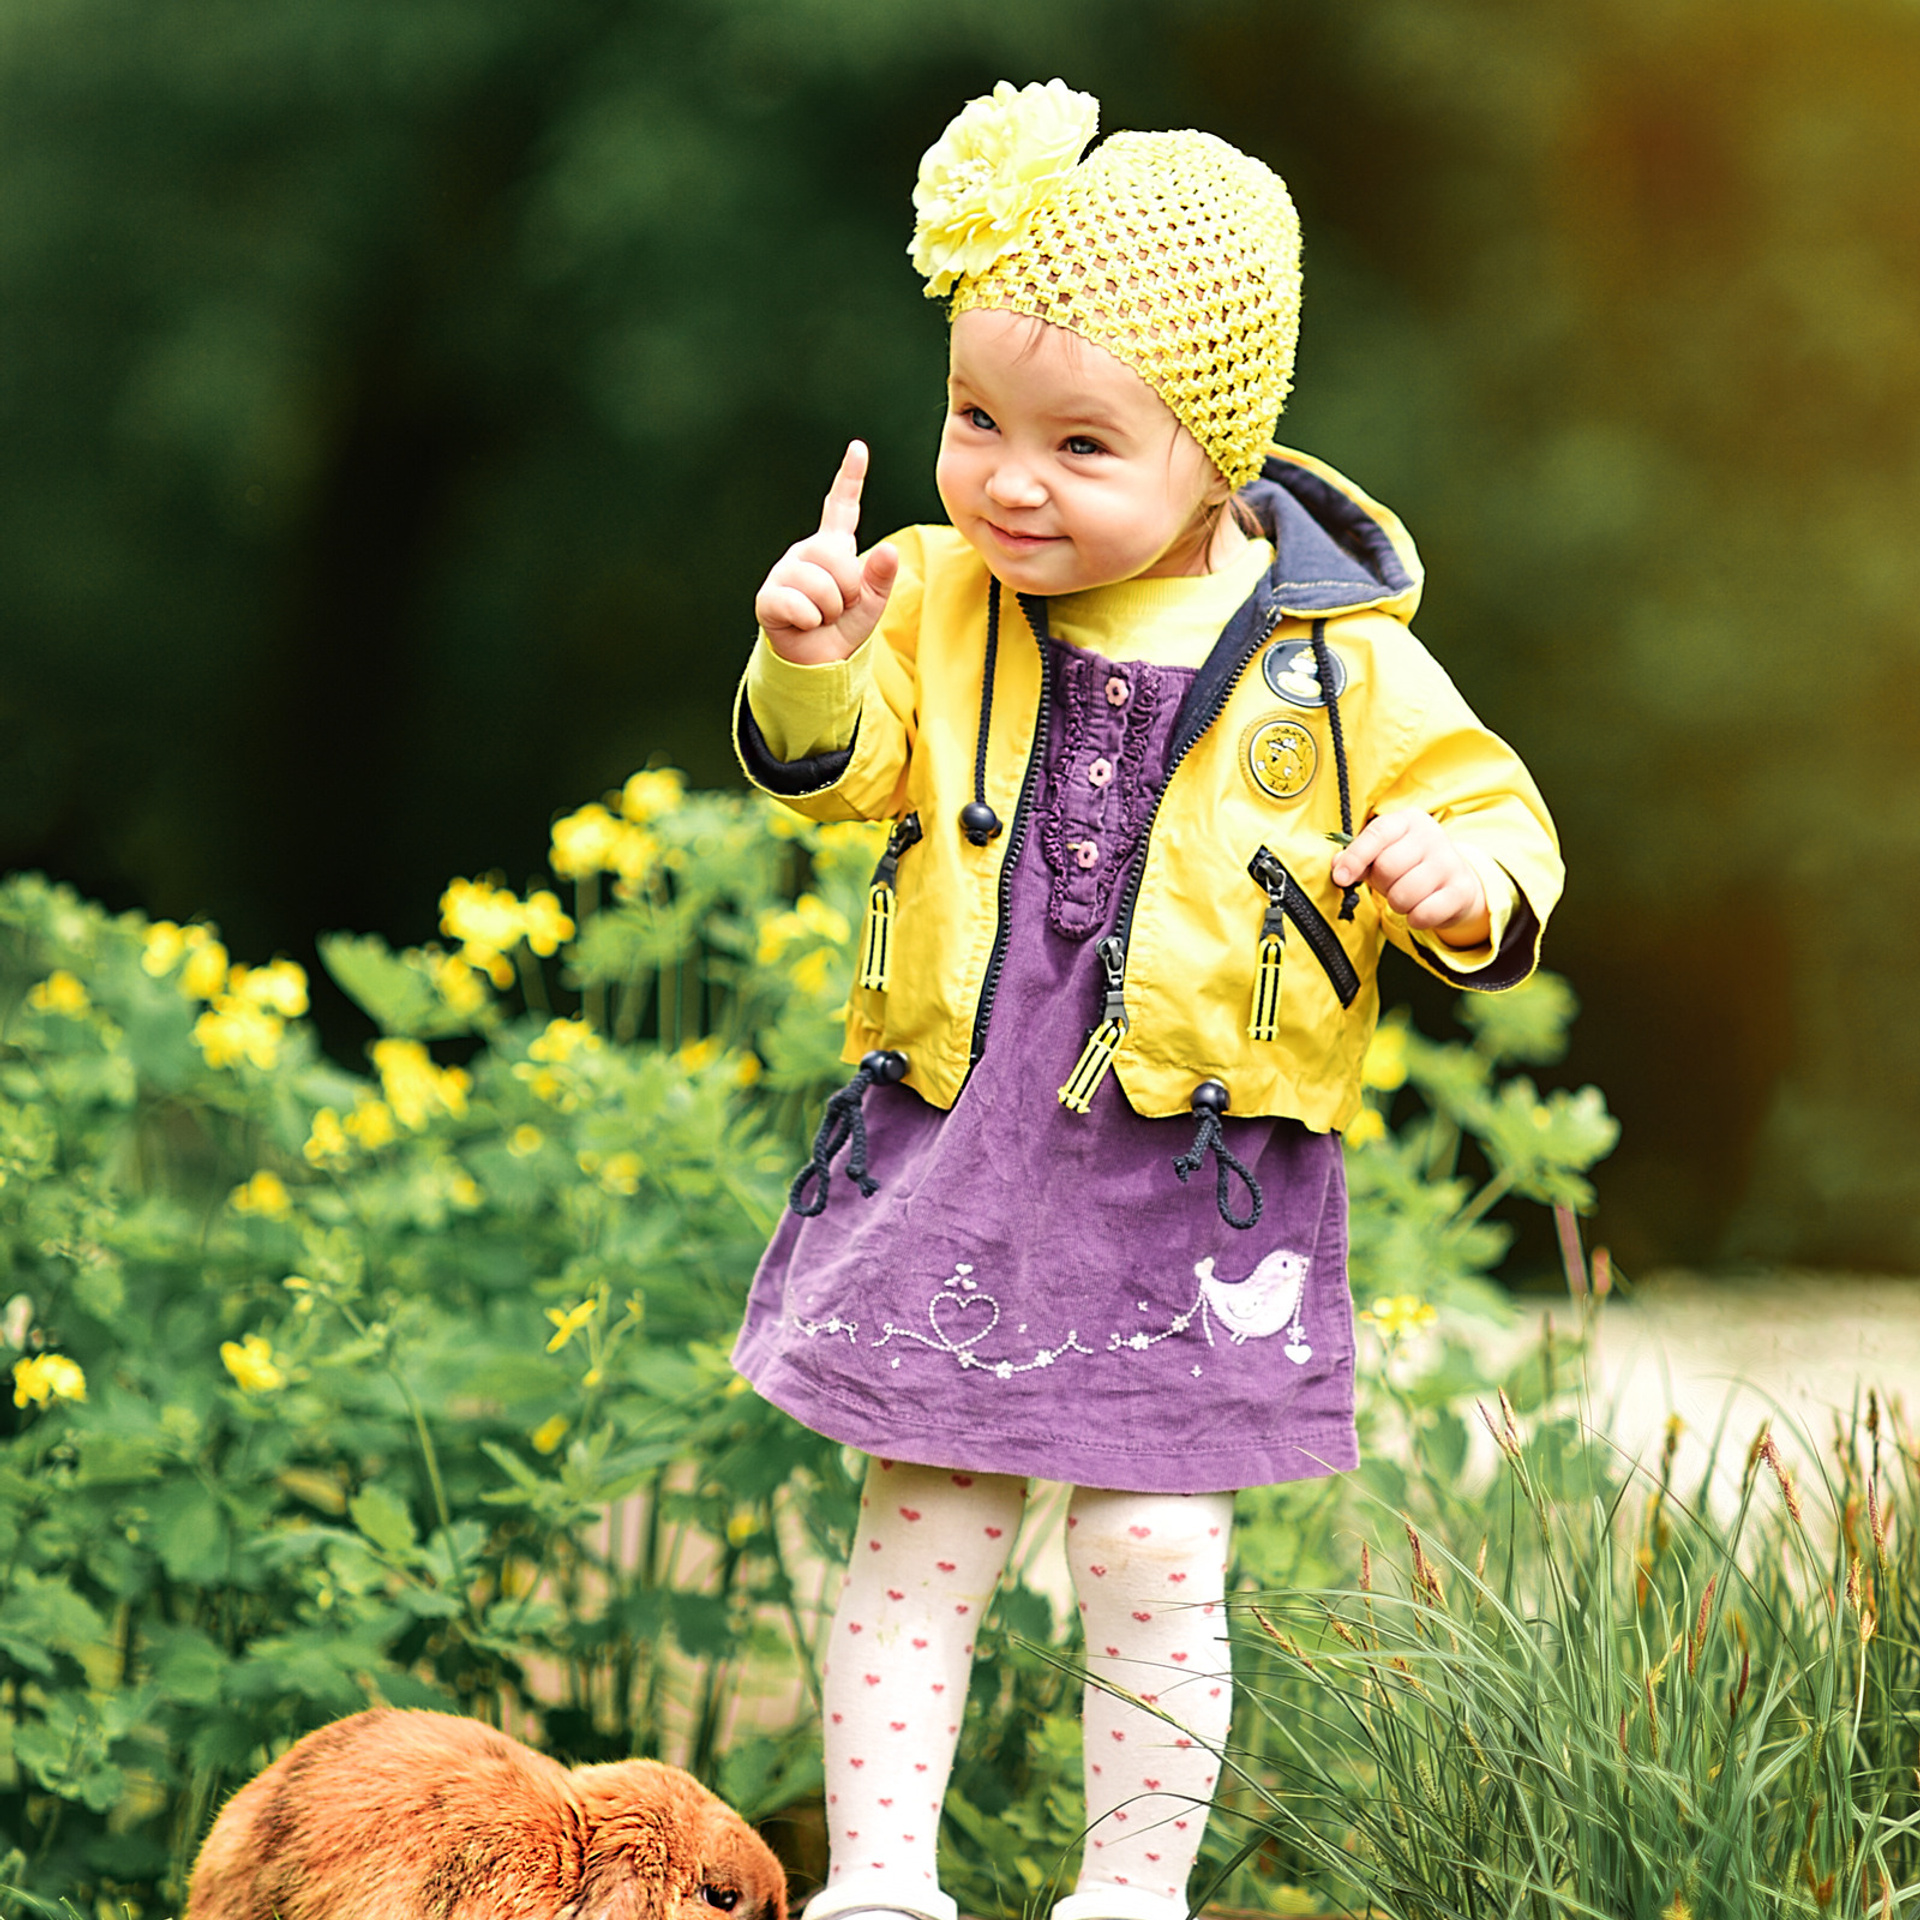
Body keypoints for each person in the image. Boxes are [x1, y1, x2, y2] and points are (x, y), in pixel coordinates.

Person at [728, 79, 1562, 1920]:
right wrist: (812, 663)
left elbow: (1496, 817)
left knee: (1159, 1548)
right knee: (924, 1517)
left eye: (1081, 444)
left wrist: (1460, 876)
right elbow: (841, 769)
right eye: (975, 419)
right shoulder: (938, 597)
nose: (1010, 478)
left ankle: (1130, 1893)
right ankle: (882, 1882)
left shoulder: (1339, 659)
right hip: (964, 1130)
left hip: (1187, 1165)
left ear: (1217, 456)